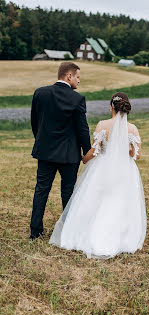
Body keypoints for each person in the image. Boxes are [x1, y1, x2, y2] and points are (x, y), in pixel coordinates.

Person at [49, 92, 147, 259]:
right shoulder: (132, 128)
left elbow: (94, 150)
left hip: (102, 167)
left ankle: (91, 232)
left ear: (111, 107)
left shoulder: (102, 125)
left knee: (97, 198)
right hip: (125, 169)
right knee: (120, 200)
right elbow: (136, 155)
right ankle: (120, 236)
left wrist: (84, 159)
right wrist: (123, 150)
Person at [30, 62, 91, 240]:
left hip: (45, 152)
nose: (79, 81)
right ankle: (67, 232)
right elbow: (82, 129)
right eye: (78, 77)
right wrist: (87, 151)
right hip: (69, 155)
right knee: (68, 192)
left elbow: (35, 122)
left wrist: (41, 141)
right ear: (69, 76)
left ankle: (35, 232)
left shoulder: (40, 93)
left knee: (41, 190)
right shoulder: (77, 99)